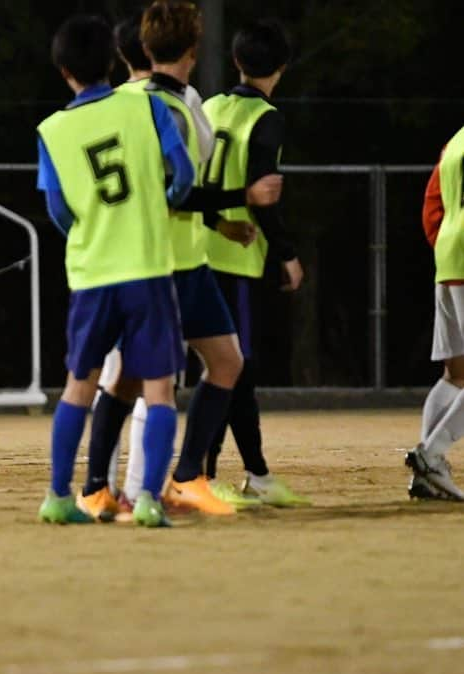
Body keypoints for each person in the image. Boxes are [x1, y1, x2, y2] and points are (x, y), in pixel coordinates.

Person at [79, 1, 283, 522]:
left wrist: (220, 222)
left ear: (145, 49)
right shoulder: (156, 106)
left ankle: (186, 477)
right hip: (154, 263)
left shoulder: (182, 99)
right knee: (136, 379)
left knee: (226, 362)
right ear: (194, 49)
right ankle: (101, 488)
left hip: (186, 260)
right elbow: (169, 196)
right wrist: (245, 196)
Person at [36, 13, 195, 527]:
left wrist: (89, 233)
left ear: (64, 72)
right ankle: (147, 498)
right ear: (113, 61)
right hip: (147, 266)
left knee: (78, 385)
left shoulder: (52, 130)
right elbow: (184, 173)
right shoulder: (146, 107)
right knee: (159, 389)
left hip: (91, 272)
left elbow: (58, 209)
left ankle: (60, 496)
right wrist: (162, 203)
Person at [200, 19, 310, 507]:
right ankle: (209, 475)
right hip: (238, 259)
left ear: (237, 61)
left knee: (222, 369)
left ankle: (254, 472)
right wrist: (285, 252)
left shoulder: (207, 107)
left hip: (198, 250)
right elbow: (264, 194)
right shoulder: (266, 118)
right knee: (234, 370)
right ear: (280, 69)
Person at [404, 124, 464, 501]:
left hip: (450, 255)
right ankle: (432, 453)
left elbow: (432, 204)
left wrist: (446, 247)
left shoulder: (457, 138)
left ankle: (429, 472)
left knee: (456, 373)